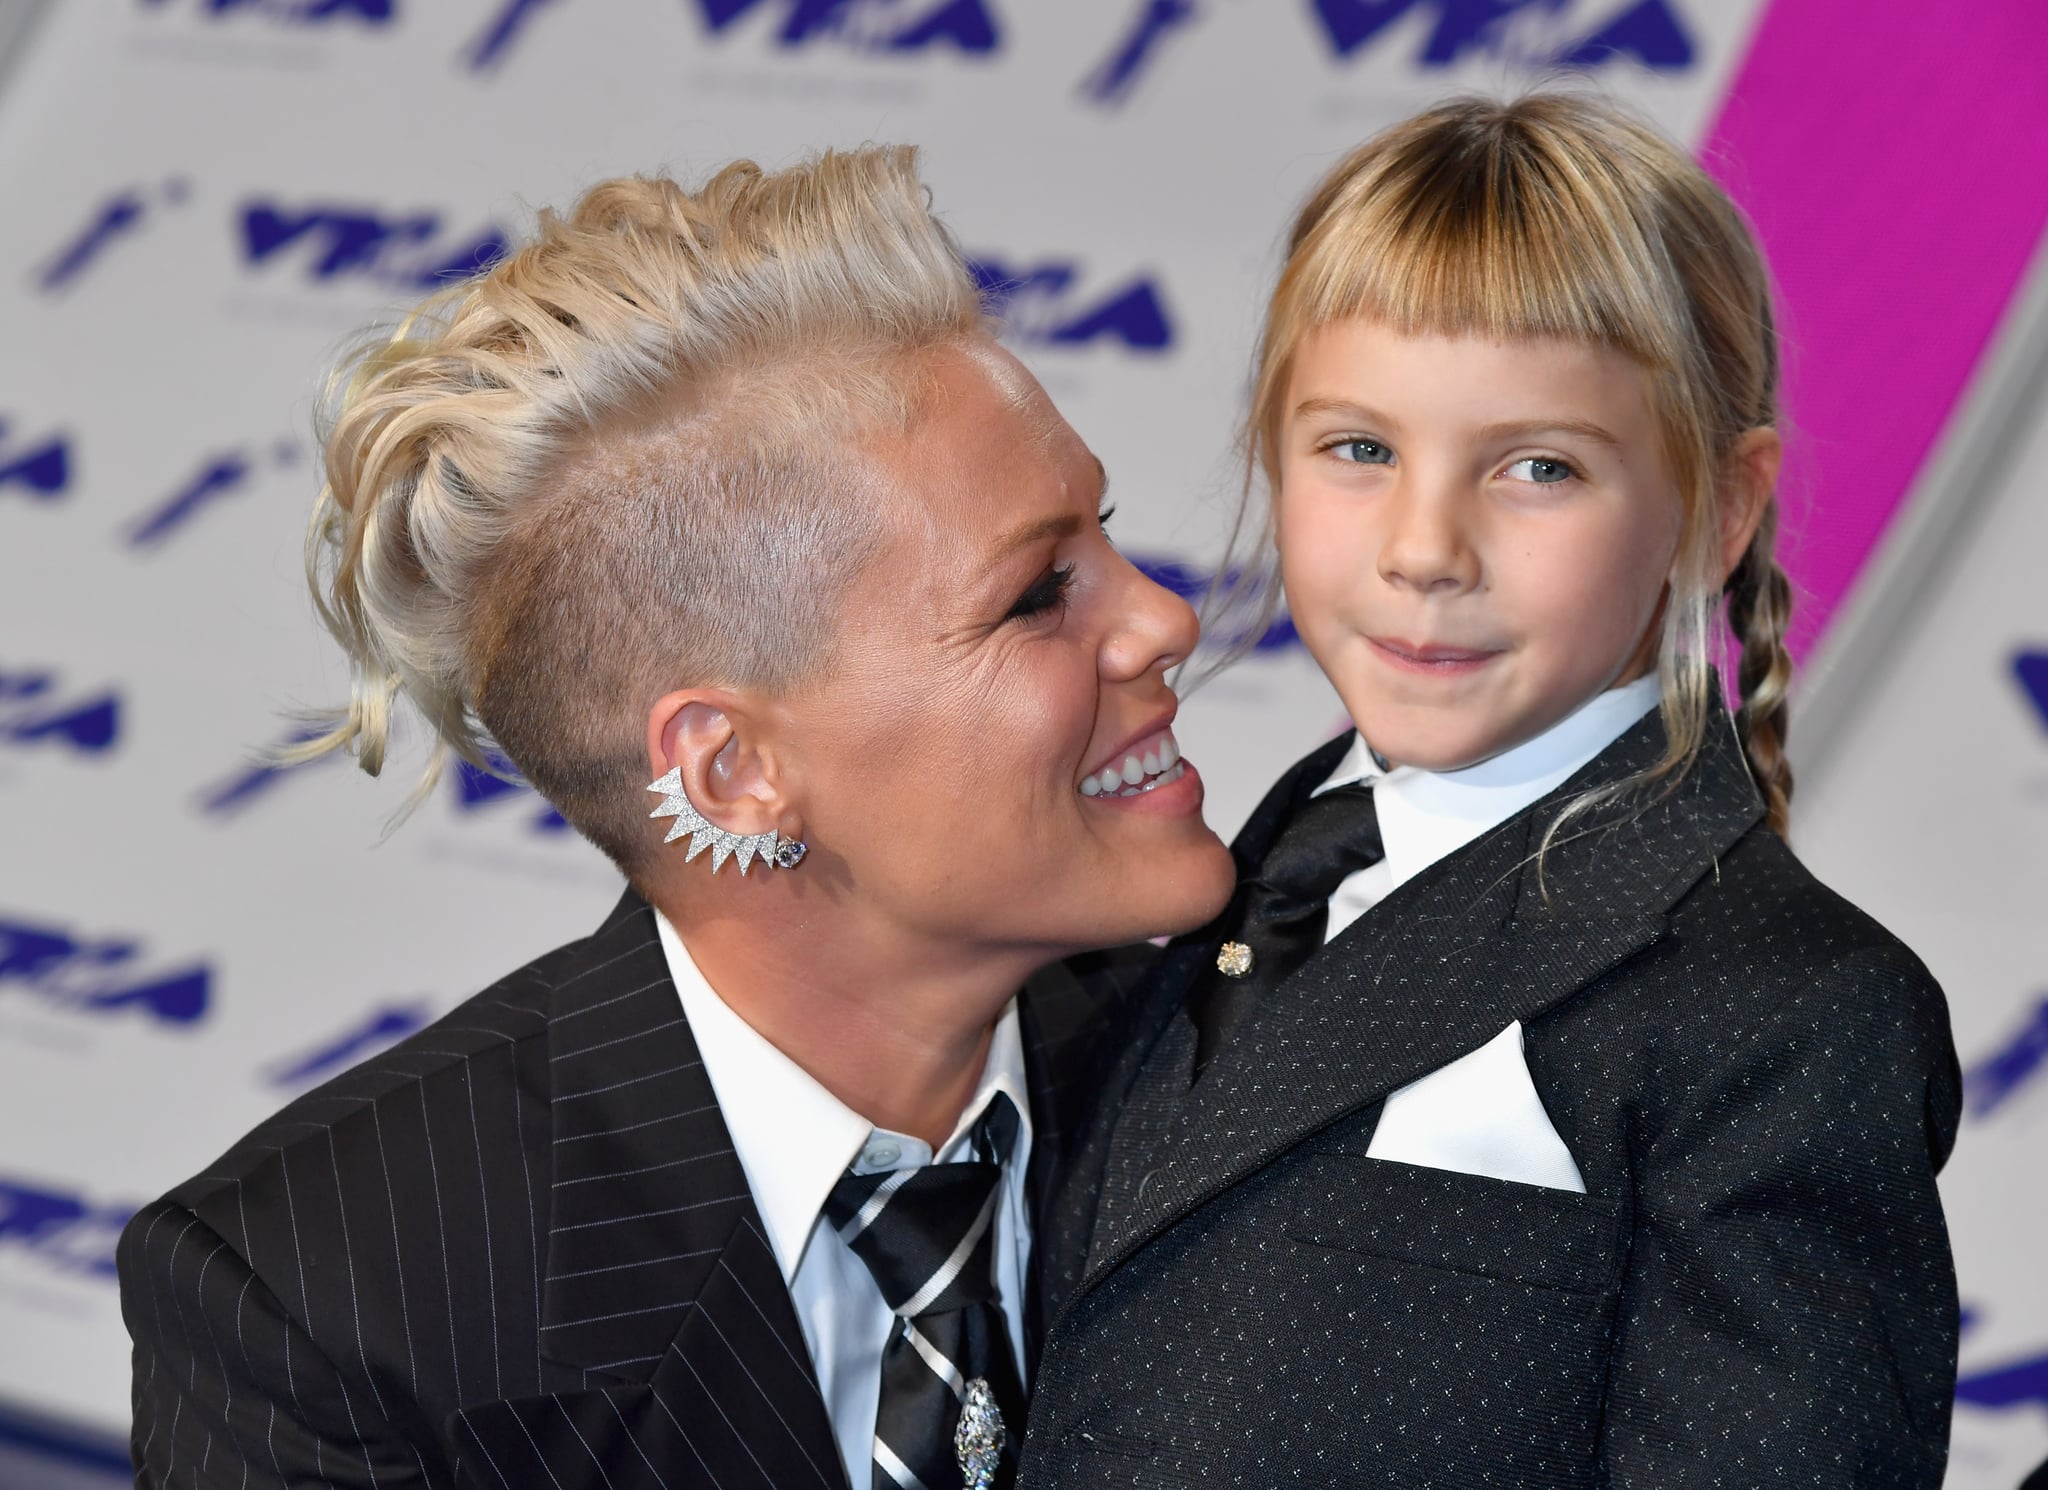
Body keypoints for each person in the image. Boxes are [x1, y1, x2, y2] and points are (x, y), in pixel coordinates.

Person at [117, 146, 1237, 1490]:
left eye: (1103, 533)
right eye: (1038, 592)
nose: (1166, 619)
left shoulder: (1258, 1047)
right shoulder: (327, 1299)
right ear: (728, 773)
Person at [1022, 94, 1962, 1487]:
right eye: (1360, 447)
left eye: (1538, 467)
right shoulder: (1173, 883)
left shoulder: (1795, 1013)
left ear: (1722, 507)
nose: (1424, 546)